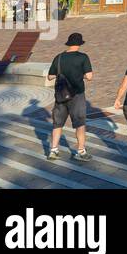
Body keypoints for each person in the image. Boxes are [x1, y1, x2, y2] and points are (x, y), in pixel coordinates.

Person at [47, 32, 93, 161]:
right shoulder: (83, 57)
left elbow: (50, 76)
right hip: (77, 95)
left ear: (69, 43)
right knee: (79, 123)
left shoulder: (59, 57)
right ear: (79, 44)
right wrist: (79, 75)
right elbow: (89, 77)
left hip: (61, 95)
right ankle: (81, 151)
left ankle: (53, 150)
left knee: (57, 124)